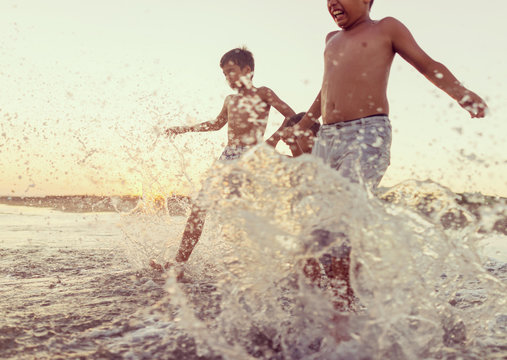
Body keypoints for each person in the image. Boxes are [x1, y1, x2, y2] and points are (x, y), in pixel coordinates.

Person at [276, 0, 488, 310]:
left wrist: (460, 93)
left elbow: (428, 65)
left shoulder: (385, 28)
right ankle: (317, 298)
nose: (332, 2)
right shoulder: (330, 40)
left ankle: (343, 308)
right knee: (316, 224)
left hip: (366, 134)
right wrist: (306, 123)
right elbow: (326, 89)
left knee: (342, 215)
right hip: (327, 138)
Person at [150, 47, 296, 272]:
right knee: (199, 208)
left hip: (253, 157)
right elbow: (216, 124)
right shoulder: (230, 100)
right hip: (228, 157)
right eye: (225, 74)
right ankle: (178, 264)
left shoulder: (263, 93)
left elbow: (291, 116)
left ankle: (275, 262)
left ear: (248, 70)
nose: (228, 77)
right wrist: (184, 129)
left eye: (232, 71)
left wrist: (274, 140)